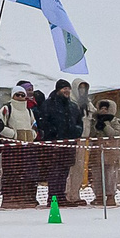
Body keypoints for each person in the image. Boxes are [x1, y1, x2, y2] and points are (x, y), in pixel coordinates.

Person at [35, 71, 85, 205]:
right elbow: (43, 122)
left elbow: (80, 123)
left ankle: (61, 196)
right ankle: (53, 197)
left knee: (64, 170)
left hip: (69, 144)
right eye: (64, 88)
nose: (67, 91)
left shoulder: (72, 106)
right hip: (54, 144)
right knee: (54, 171)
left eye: (68, 88)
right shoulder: (48, 105)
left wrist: (76, 132)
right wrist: (54, 133)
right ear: (58, 90)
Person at [0, 85, 38, 206]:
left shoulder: (29, 111)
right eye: (17, 95)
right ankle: (9, 197)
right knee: (11, 172)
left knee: (25, 172)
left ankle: (22, 196)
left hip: (26, 147)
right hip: (12, 148)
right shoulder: (7, 108)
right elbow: (0, 126)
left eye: (22, 95)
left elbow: (34, 124)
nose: (20, 97)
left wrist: (32, 135)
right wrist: (13, 135)